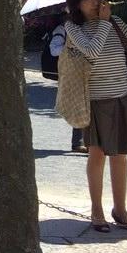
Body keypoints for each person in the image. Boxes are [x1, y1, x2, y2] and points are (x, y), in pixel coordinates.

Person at [61, 0, 127, 232]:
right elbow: (92, 51)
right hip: (95, 99)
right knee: (96, 155)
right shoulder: (73, 28)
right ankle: (96, 210)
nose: (96, 1)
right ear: (77, 4)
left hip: (122, 95)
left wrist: (111, 22)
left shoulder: (115, 23)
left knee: (120, 155)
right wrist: (104, 24)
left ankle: (120, 209)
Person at [47, 18, 85, 153]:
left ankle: (85, 142)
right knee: (81, 106)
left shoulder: (84, 28)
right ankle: (79, 142)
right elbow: (54, 50)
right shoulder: (61, 30)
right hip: (71, 74)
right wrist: (72, 47)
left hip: (86, 71)